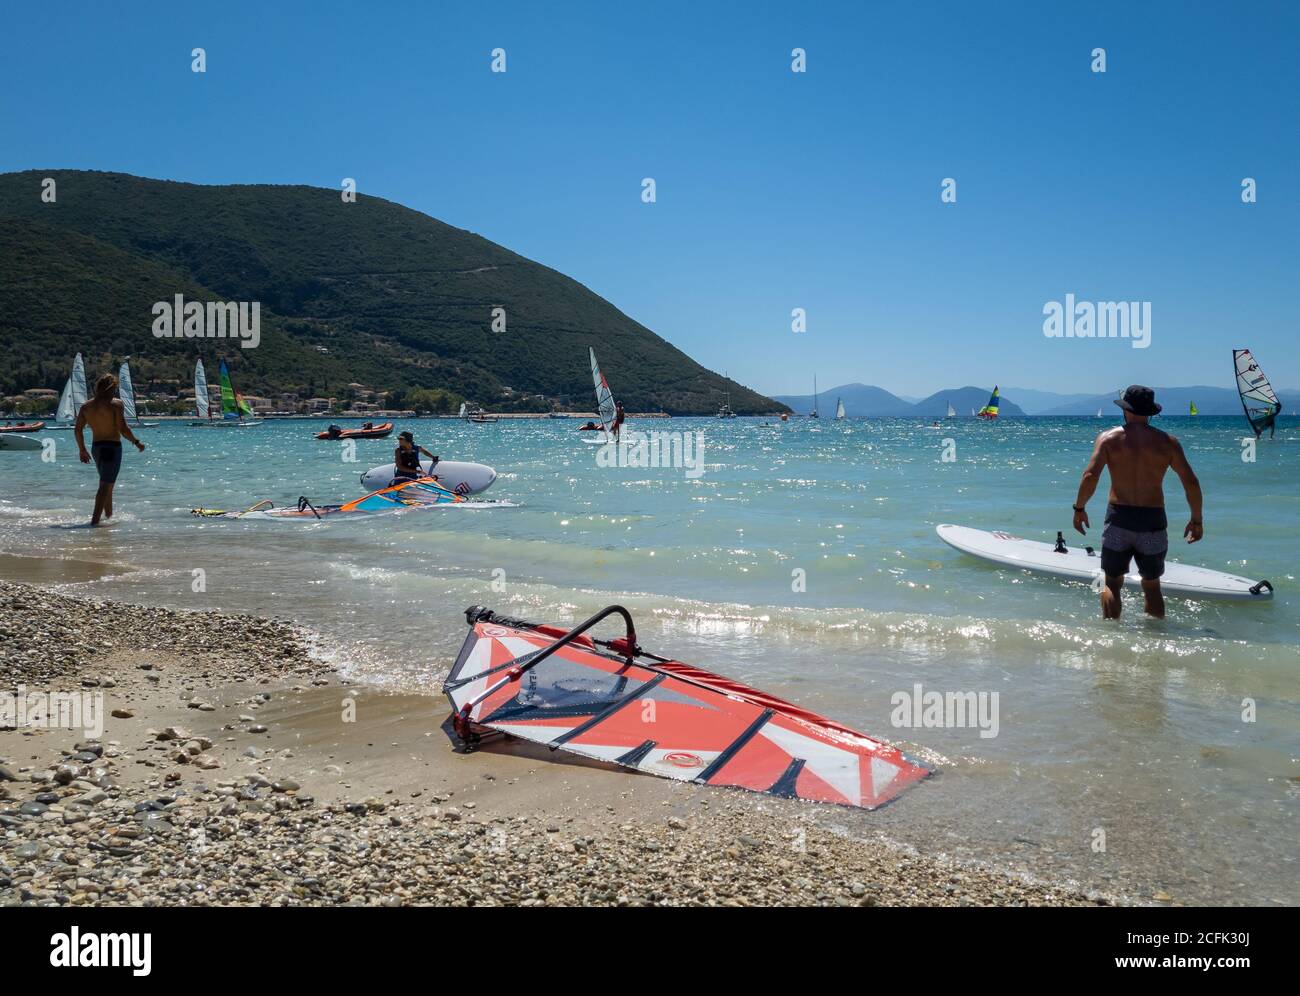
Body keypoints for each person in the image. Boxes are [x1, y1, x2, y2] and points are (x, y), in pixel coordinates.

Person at [1071, 385, 1202, 620]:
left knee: (1112, 583)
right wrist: (1196, 520)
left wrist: (1079, 508)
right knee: (1152, 586)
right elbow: (1191, 482)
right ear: (1150, 412)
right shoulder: (1168, 442)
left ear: (1126, 410)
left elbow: (1090, 476)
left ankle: (1112, 641)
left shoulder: (1108, 439)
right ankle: (1154, 644)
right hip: (1152, 520)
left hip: (1119, 517)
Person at [75, 373, 145, 525]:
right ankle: (94, 522)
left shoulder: (86, 406)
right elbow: (123, 428)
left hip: (96, 448)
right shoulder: (116, 404)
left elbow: (78, 429)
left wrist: (82, 449)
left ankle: (109, 518)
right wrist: (136, 442)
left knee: (108, 484)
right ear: (111, 388)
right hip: (112, 448)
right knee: (105, 485)